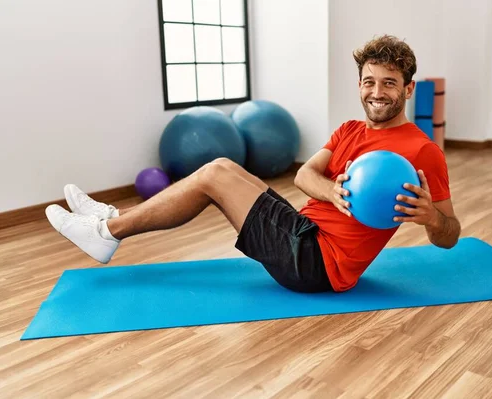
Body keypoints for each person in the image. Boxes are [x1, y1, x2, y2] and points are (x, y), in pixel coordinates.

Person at [46, 35, 461, 293]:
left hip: (317, 265)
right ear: (359, 85)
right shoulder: (351, 128)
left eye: (389, 83)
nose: (377, 92)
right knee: (222, 167)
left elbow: (449, 235)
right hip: (305, 231)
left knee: (214, 174)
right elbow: (303, 175)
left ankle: (106, 231)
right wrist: (332, 191)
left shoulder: (422, 151)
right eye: (369, 81)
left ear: (407, 88)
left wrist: (428, 218)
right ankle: (112, 220)